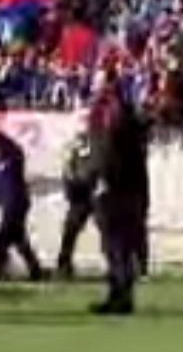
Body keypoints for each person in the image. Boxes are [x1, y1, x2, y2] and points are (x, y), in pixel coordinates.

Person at [91, 79, 149, 315]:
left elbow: (106, 160)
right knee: (120, 247)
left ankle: (121, 296)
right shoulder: (129, 127)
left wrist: (101, 181)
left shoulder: (113, 128)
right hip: (130, 193)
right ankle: (119, 294)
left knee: (115, 248)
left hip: (115, 192)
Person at [0, 120, 44, 281]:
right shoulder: (5, 161)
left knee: (4, 239)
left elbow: (0, 190)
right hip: (17, 202)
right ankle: (34, 269)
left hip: (14, 204)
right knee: (17, 237)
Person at [55, 124, 98, 279]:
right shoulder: (74, 150)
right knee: (70, 230)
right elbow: (68, 172)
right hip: (81, 195)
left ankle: (122, 265)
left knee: (112, 232)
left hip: (98, 193)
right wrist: (71, 184)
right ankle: (64, 265)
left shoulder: (101, 146)